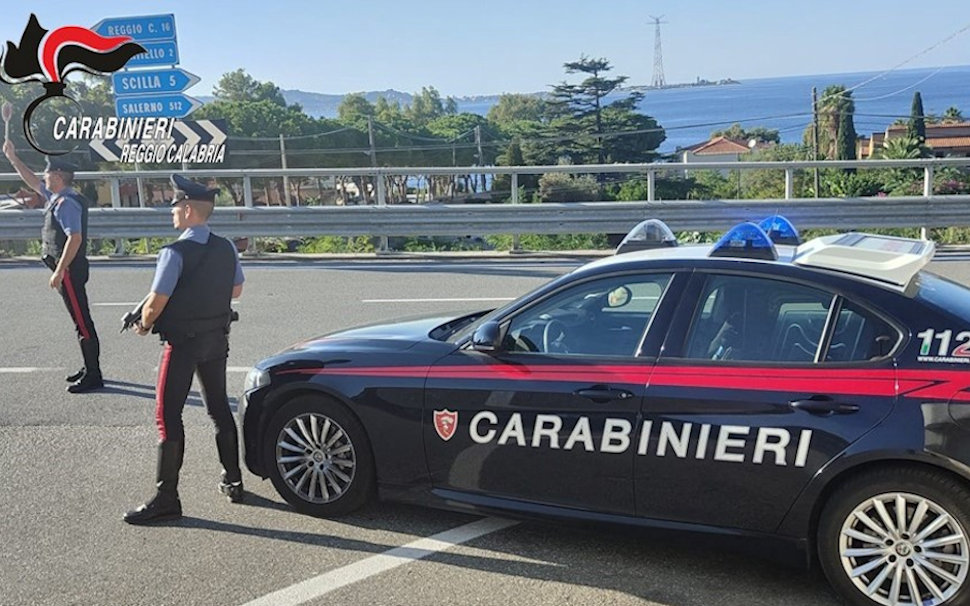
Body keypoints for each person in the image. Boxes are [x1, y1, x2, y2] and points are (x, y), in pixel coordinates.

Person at [123, 174, 245, 525]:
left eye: (175, 207)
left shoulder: (173, 252)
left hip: (181, 345)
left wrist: (144, 325)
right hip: (216, 340)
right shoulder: (226, 247)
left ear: (189, 209)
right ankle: (233, 480)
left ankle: (167, 499)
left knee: (167, 415)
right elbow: (236, 290)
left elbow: (155, 303)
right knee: (219, 409)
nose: (172, 212)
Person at [3, 142, 103, 393]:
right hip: (66, 269)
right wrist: (13, 158)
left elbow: (75, 238)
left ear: (57, 176)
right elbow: (32, 181)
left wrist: (59, 271)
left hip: (68, 270)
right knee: (79, 320)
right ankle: (89, 367)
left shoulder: (66, 202)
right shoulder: (57, 196)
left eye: (47, 173)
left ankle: (94, 374)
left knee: (82, 321)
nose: (44, 177)